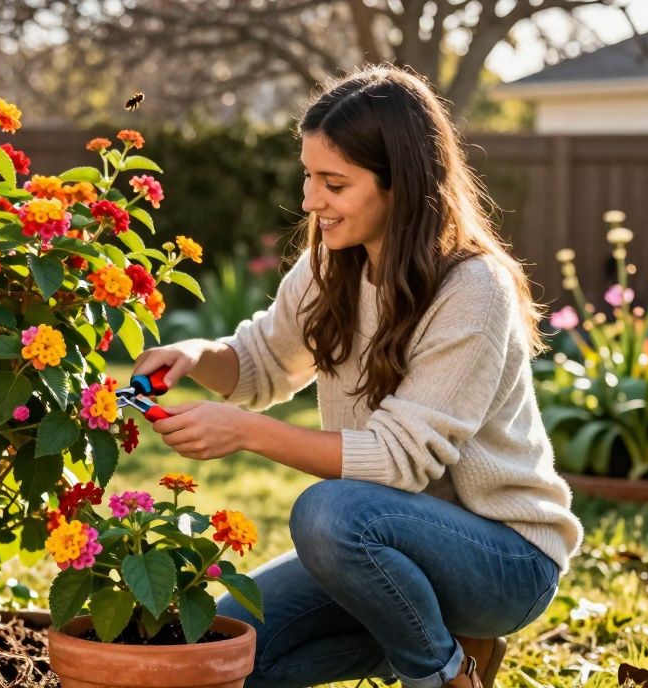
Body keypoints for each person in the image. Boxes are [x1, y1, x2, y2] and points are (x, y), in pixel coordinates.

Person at [131, 65, 582, 688]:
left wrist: (246, 433)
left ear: (400, 183)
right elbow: (261, 361)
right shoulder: (331, 263)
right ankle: (439, 639)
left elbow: (398, 461)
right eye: (310, 177)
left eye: (334, 183)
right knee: (206, 655)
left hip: (501, 559)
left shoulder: (472, 288)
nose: (312, 201)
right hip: (377, 551)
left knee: (328, 513)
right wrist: (194, 354)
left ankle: (444, 675)